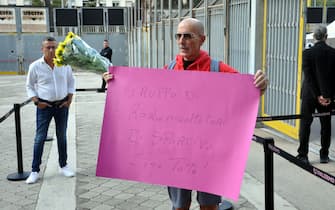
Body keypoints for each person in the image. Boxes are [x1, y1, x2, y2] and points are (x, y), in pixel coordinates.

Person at [102, 18, 268, 210]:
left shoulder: (218, 70)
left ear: (202, 39)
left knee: (209, 207)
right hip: (176, 154)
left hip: (209, 155)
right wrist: (116, 85)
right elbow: (144, 99)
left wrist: (261, 85)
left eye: (188, 36)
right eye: (178, 36)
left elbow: (247, 92)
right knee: (180, 206)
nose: (181, 41)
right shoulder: (169, 70)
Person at [25, 36, 75, 184]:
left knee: (62, 136)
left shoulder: (64, 64)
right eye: (48, 47)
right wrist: (36, 102)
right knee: (40, 138)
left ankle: (63, 165)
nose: (52, 50)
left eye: (54, 47)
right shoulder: (35, 66)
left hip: (61, 106)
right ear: (42, 49)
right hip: (44, 107)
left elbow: (71, 81)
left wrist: (69, 100)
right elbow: (29, 85)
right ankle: (35, 170)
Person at [296, 25, 335, 165]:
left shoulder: (307, 53)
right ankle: (324, 155)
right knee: (326, 126)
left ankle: (303, 155)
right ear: (326, 36)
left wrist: (317, 95)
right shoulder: (333, 53)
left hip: (309, 95)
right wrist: (327, 96)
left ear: (314, 37)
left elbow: (309, 77)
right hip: (327, 97)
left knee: (305, 124)